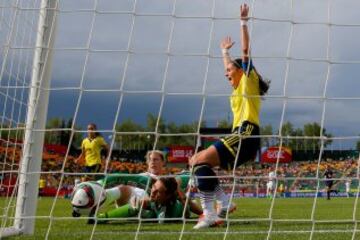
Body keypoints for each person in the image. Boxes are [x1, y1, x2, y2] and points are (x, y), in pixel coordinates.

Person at [188, 3, 269, 229]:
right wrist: (224, 52)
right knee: (198, 165)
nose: (226, 74)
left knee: (197, 159)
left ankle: (213, 211)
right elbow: (231, 64)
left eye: (229, 71)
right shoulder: (237, 90)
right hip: (240, 136)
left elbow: (244, 53)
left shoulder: (248, 80)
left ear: (241, 70)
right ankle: (222, 204)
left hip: (247, 132)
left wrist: (243, 23)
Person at [96, 177, 187, 223]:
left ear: (167, 196)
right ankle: (101, 218)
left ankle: (101, 218)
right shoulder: (157, 200)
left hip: (180, 208)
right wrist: (136, 201)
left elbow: (160, 219)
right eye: (154, 187)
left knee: (145, 213)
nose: (153, 192)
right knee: (137, 206)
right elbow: (144, 203)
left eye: (158, 191)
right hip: (158, 208)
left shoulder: (172, 210)